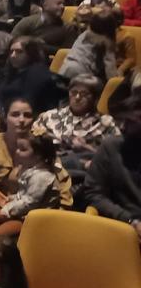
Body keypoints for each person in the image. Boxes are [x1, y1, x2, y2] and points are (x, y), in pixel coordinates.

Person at [32, 74, 120, 176]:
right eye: (74, 92)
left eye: (84, 94)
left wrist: (85, 147)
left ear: (96, 98)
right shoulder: (48, 116)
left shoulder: (105, 123)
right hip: (46, 168)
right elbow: (30, 144)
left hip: (84, 173)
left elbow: (115, 157)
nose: (77, 97)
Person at [0, 131, 62, 236]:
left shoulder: (42, 176)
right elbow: (23, 194)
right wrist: (12, 199)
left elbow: (30, 202)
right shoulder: (29, 169)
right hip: (21, 212)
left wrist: (9, 209)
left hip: (31, 219)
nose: (17, 152)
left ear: (38, 155)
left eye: (22, 149)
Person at [84, 94, 141, 240]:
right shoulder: (111, 147)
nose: (122, 127)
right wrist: (130, 220)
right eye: (121, 121)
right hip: (124, 227)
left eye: (130, 122)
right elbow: (93, 193)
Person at [0, 37, 61, 115]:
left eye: (19, 52)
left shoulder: (38, 74)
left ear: (31, 54)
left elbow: (28, 104)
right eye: (11, 51)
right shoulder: (10, 71)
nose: (13, 55)